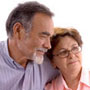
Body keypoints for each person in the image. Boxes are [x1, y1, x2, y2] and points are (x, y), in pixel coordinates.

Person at [0, 1, 59, 90]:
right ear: (18, 30)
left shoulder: (49, 61)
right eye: (43, 36)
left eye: (49, 38)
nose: (48, 45)